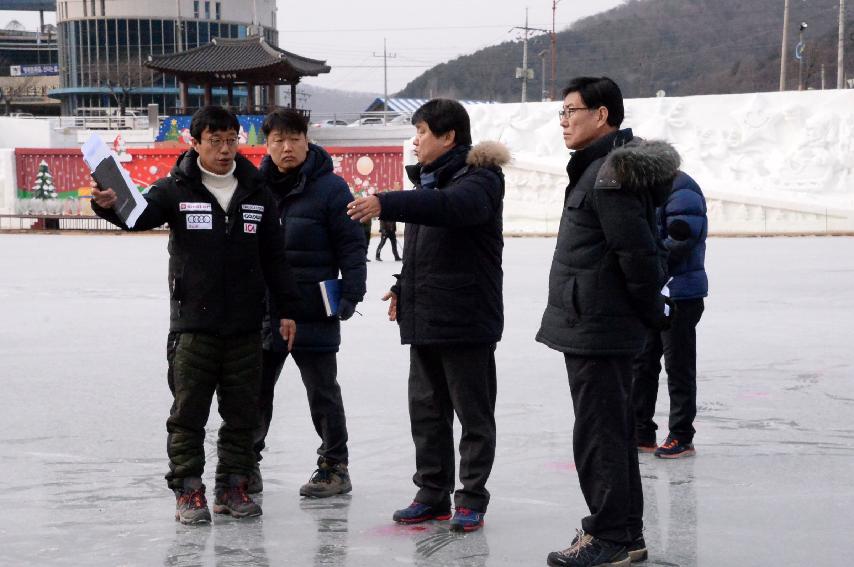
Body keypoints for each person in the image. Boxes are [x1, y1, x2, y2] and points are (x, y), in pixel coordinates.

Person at [90, 105, 299, 525]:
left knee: (243, 413)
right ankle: (188, 491)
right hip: (193, 325)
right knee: (188, 415)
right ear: (196, 142)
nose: (225, 149)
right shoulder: (176, 188)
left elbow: (275, 258)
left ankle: (233, 487)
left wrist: (287, 310)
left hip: (245, 325)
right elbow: (138, 217)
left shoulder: (257, 191)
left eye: (232, 139)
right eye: (215, 141)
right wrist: (107, 206)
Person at [535, 77, 679, 567]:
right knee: (608, 430)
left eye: (571, 111)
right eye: (561, 113)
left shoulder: (609, 172)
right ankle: (622, 532)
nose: (564, 121)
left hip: (599, 324)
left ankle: (612, 536)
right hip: (592, 320)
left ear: (602, 115)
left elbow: (636, 253)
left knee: (600, 433)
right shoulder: (600, 167)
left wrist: (644, 313)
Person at [347, 98, 509, 533]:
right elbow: (427, 250)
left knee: (473, 415)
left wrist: (386, 202)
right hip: (426, 317)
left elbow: (454, 211)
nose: (414, 141)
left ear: (448, 136)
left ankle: (471, 497)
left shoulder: (481, 179)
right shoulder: (429, 184)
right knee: (427, 413)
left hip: (466, 318)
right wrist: (403, 287)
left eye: (421, 132)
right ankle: (432, 493)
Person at [252, 108, 367, 498]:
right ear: (266, 146)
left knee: (322, 391)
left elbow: (352, 243)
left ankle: (334, 466)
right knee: (255, 390)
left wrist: (351, 294)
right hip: (264, 309)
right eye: (278, 140)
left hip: (312, 309)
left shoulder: (331, 188)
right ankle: (246, 464)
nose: (287, 147)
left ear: (307, 140)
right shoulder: (254, 186)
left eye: (294, 139)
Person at [632, 171, 708, 458]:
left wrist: (644, 261)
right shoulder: (650, 189)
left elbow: (681, 237)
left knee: (678, 367)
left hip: (681, 294)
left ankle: (681, 435)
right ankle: (641, 432)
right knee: (643, 363)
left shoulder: (682, 191)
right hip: (655, 292)